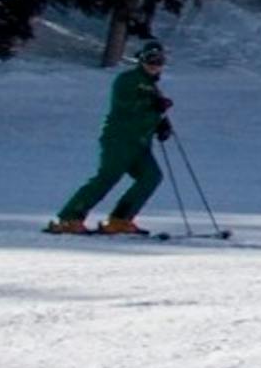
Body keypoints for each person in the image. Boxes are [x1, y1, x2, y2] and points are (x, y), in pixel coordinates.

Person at [46, 39, 173, 236]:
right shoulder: (127, 79)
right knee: (107, 177)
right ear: (141, 59)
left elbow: (149, 111)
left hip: (140, 144)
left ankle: (121, 219)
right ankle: (70, 218)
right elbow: (125, 107)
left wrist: (161, 124)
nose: (154, 64)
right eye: (150, 59)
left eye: (159, 60)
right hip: (119, 140)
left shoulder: (152, 86)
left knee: (151, 177)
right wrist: (152, 107)